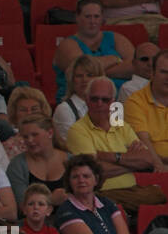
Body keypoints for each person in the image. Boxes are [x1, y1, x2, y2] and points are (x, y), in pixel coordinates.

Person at [66, 75, 167, 212]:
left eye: (105, 100)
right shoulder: (77, 130)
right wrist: (132, 164)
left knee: (159, 198)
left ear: (113, 102)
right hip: (101, 194)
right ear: (87, 100)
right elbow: (91, 172)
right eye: (94, 99)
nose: (99, 104)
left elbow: (148, 159)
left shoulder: (121, 126)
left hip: (132, 192)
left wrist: (107, 157)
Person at [52, 153, 142, 234]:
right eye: (75, 177)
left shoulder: (107, 204)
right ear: (69, 182)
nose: (81, 180)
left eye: (86, 176)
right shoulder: (67, 210)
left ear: (96, 179)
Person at [53, 0, 134, 99]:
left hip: (119, 102)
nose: (92, 21)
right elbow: (82, 69)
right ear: (77, 17)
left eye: (96, 16)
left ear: (102, 18)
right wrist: (114, 60)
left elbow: (134, 66)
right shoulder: (67, 44)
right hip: (81, 102)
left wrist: (96, 73)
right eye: (87, 17)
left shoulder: (116, 38)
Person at [125, 49, 168, 160]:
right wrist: (160, 165)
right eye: (164, 72)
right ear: (152, 74)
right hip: (152, 168)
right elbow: (144, 144)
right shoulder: (134, 102)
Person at [53, 54, 101, 149]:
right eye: (79, 76)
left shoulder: (112, 105)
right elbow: (74, 146)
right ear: (72, 80)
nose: (85, 80)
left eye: (90, 75)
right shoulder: (64, 109)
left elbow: (121, 137)